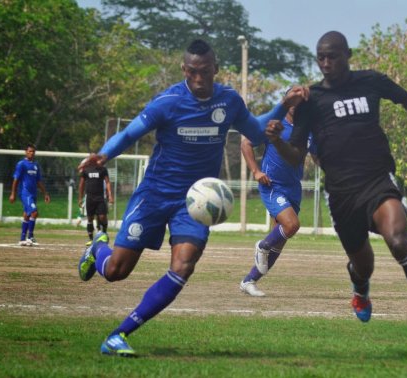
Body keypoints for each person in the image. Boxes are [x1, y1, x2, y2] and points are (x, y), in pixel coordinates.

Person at [77, 39, 308, 357]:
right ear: (185, 70)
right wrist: (103, 155)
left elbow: (255, 133)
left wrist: (283, 104)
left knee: (183, 266)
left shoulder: (228, 101)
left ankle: (118, 335)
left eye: (206, 72)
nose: (200, 79)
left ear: (215, 69)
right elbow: (130, 133)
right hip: (155, 194)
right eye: (194, 72)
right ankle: (97, 250)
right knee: (117, 270)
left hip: (195, 202)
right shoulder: (167, 102)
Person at [265, 31, 407, 351]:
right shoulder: (312, 101)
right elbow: (297, 155)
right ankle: (360, 288)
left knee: (398, 241)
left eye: (332, 56)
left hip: (377, 181)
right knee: (364, 266)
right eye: (320, 57)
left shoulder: (371, 81)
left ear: (348, 54)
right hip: (341, 195)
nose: (326, 63)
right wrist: (278, 140)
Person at [239, 106, 313, 297]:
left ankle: (249, 281)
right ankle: (262, 245)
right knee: (291, 225)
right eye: (295, 101)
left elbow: (318, 155)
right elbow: (246, 143)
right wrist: (256, 171)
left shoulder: (308, 129)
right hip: (272, 185)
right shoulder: (274, 125)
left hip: (293, 188)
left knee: (278, 242)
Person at [9, 144, 51, 246]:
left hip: (33, 193)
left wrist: (45, 193)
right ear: (26, 152)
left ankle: (22, 238)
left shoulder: (36, 165)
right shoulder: (21, 164)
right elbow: (16, 179)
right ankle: (30, 237)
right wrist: (13, 193)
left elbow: (39, 181)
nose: (31, 153)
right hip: (25, 193)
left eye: (33, 151)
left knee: (27, 214)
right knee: (34, 212)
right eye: (30, 151)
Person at [78, 164, 114, 245]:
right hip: (89, 198)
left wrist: (110, 196)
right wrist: (80, 198)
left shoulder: (102, 169)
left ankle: (104, 233)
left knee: (102, 216)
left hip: (100, 197)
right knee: (90, 218)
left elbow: (107, 182)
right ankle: (91, 238)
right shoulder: (86, 169)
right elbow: (81, 184)